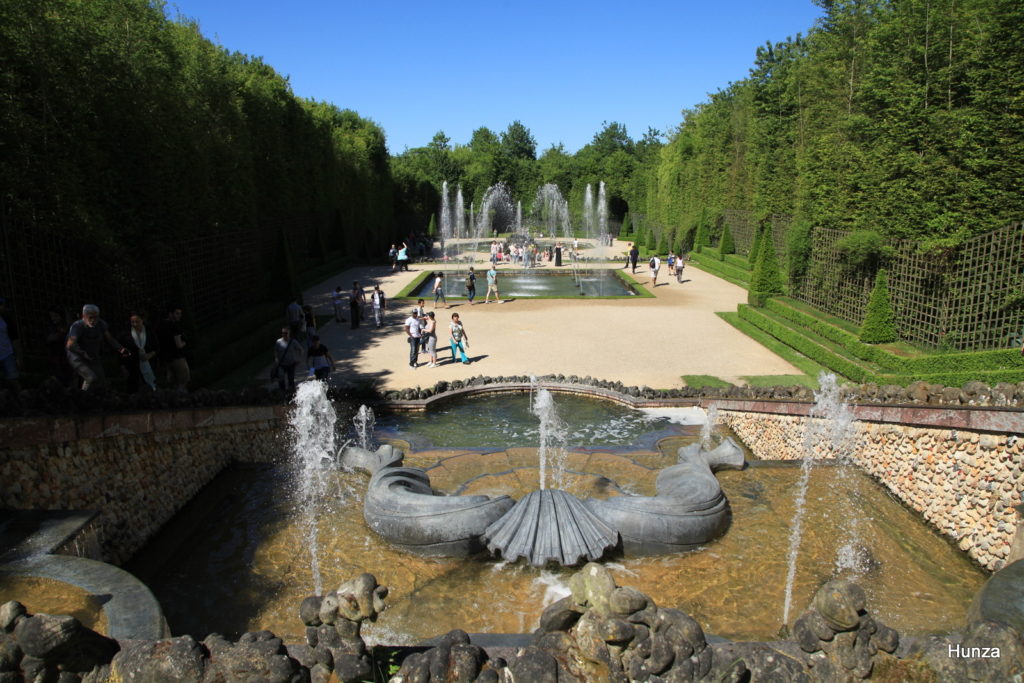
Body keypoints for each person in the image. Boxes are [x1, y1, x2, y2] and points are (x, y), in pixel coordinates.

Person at [66, 304, 129, 391]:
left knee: (102, 383)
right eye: (90, 317)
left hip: (93, 356)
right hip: (77, 356)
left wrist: (121, 349)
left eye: (96, 317)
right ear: (84, 316)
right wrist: (83, 354)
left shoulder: (101, 324)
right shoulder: (77, 326)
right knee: (90, 378)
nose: (93, 320)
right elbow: (70, 345)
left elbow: (110, 339)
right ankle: (82, 397)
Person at [120, 311, 158, 392]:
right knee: (134, 388)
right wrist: (122, 366)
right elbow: (121, 351)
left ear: (142, 320)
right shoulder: (126, 334)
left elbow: (157, 347)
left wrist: (149, 355)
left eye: (137, 321)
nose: (135, 324)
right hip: (132, 365)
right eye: (132, 322)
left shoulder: (149, 332)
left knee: (150, 388)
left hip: (148, 364)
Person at [157, 305, 190, 392]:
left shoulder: (160, 325)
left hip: (167, 358)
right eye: (177, 313)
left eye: (180, 314)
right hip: (177, 357)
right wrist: (185, 342)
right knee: (183, 381)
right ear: (170, 314)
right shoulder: (174, 326)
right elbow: (178, 345)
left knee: (173, 383)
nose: (179, 316)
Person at [45, 307, 73, 387]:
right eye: (52, 316)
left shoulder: (66, 327)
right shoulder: (51, 327)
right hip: (55, 358)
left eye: (56, 316)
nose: (53, 318)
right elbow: (51, 338)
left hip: (65, 357)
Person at [0, 296, 20, 392]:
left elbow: (15, 338)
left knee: (13, 380)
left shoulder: (7, 319)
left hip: (7, 354)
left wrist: (18, 357)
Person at [272, 327, 302, 392]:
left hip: (291, 364)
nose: (284, 335)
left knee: (291, 379)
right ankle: (283, 391)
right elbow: (275, 351)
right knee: (281, 378)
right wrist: (276, 358)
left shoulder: (293, 342)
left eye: (285, 333)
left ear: (289, 333)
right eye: (283, 333)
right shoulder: (278, 342)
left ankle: (292, 392)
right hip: (281, 364)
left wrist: (298, 359)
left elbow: (300, 349)